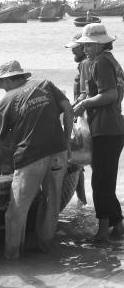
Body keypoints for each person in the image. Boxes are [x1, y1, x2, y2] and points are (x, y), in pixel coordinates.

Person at [0, 60, 73, 260]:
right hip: (58, 153)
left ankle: (13, 255)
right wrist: (67, 142)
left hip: (30, 157)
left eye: (3, 84)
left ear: (8, 80)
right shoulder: (46, 85)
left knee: (16, 210)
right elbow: (68, 110)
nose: (3, 89)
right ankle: (45, 248)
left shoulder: (6, 101)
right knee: (51, 201)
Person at [73, 23, 124, 242]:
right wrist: (83, 99)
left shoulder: (101, 61)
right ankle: (118, 226)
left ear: (100, 44)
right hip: (113, 127)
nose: (84, 48)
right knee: (106, 180)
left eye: (88, 44)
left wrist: (85, 104)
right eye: (83, 44)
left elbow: (110, 94)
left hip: (106, 129)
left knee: (101, 182)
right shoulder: (111, 61)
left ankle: (103, 231)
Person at [65, 33, 91, 205]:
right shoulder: (85, 64)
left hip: (86, 119)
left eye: (75, 46)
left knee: (78, 161)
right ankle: (83, 203)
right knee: (79, 166)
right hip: (83, 117)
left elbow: (85, 94)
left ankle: (85, 203)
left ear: (84, 47)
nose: (72, 50)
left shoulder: (84, 64)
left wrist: (69, 110)